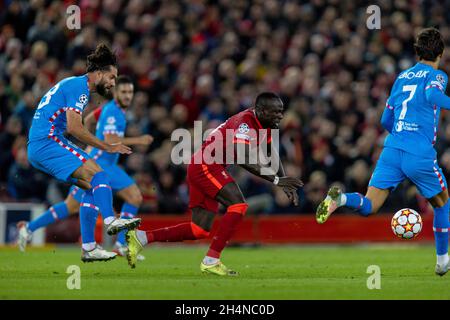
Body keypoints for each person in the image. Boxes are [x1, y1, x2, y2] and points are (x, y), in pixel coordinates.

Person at [316, 28, 450, 276]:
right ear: (440, 53)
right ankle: (442, 262)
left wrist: (400, 132)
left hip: (391, 149)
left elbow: (385, 118)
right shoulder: (437, 75)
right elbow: (432, 94)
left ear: (416, 52)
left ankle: (340, 199)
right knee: (443, 204)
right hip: (418, 152)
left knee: (370, 205)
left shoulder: (402, 77)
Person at [125, 92, 303, 275]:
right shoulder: (244, 123)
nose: (280, 116)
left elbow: (271, 154)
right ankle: (212, 260)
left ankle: (141, 237)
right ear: (261, 111)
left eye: (281, 112)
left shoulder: (266, 125)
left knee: (198, 229)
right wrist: (276, 179)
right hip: (206, 165)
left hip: (204, 166)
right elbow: (242, 158)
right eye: (276, 112)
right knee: (238, 205)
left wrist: (282, 182)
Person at [25, 44, 141, 261]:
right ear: (98, 73)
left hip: (41, 145)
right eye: (112, 77)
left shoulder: (75, 86)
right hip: (47, 142)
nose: (112, 83)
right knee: (100, 175)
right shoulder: (80, 87)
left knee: (91, 186)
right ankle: (110, 220)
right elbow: (74, 128)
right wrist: (106, 146)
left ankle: (88, 247)